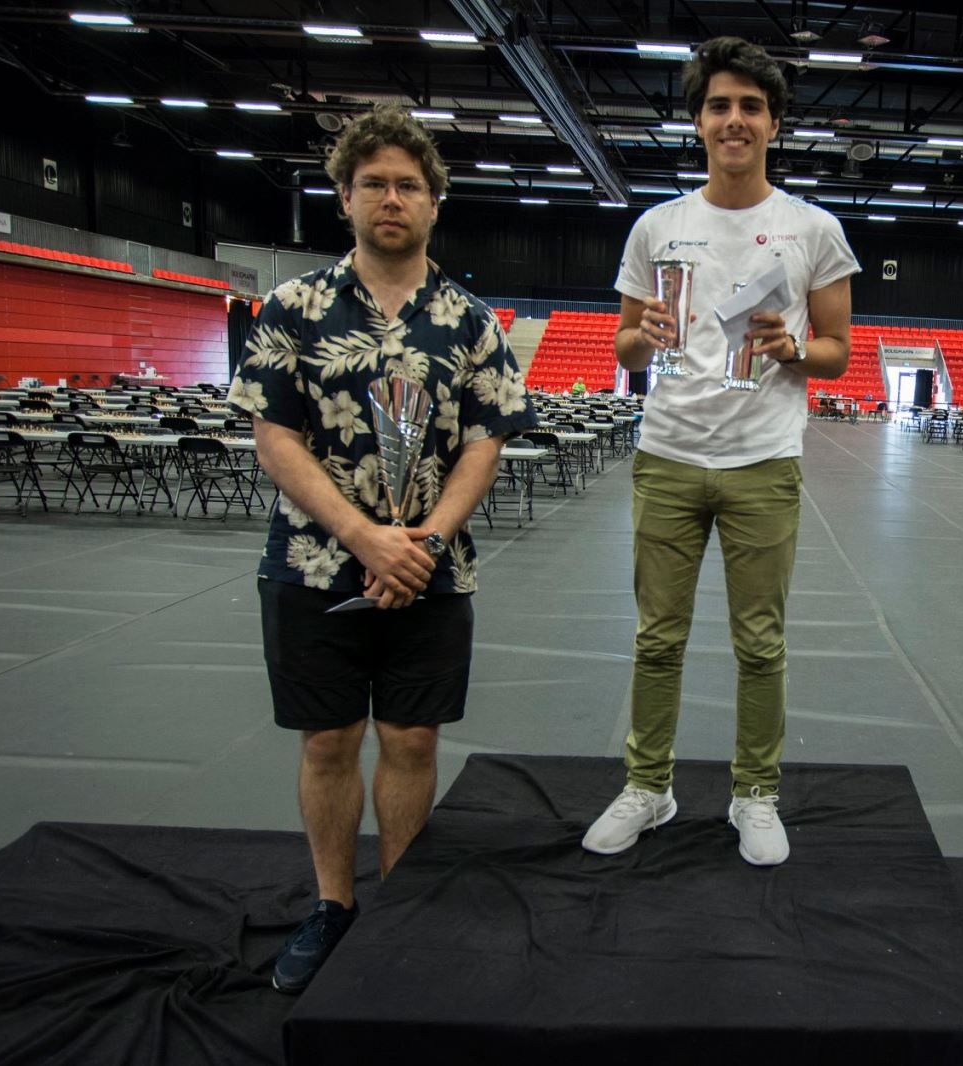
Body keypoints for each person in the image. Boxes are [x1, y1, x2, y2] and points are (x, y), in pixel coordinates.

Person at [231, 104, 535, 993]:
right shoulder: (293, 307)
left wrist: (422, 544)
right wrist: (364, 534)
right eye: (374, 184)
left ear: (435, 202)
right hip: (312, 563)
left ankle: (399, 906)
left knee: (411, 738)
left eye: (408, 185)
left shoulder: (472, 321)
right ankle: (334, 905)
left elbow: (485, 442)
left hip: (432, 571)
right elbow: (274, 439)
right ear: (345, 198)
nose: (391, 198)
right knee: (328, 742)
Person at [582, 36, 859, 867]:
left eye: (750, 107)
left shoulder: (813, 229)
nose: (734, 120)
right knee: (656, 639)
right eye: (719, 105)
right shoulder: (657, 226)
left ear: (773, 124)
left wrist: (792, 348)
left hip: (763, 461)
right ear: (698, 122)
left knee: (760, 644)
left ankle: (755, 793)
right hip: (667, 456)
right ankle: (649, 786)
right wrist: (643, 335)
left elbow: (838, 351)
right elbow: (624, 348)